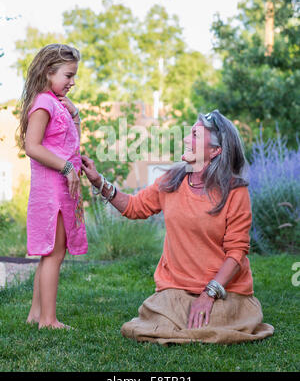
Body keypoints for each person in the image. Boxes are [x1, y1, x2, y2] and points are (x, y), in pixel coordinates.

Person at [82, 110, 274, 345]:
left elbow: (237, 252)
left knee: (215, 322)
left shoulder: (235, 190)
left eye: (194, 135)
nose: (185, 139)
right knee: (158, 321)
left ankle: (216, 315)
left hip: (223, 290)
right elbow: (134, 207)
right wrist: (98, 181)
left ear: (215, 151)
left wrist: (209, 294)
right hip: (177, 288)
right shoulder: (171, 180)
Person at [18, 44, 88, 329]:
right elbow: (31, 146)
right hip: (51, 192)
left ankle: (36, 314)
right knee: (54, 254)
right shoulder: (44, 104)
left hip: (59, 190)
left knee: (51, 253)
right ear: (49, 72)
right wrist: (68, 167)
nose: (72, 82)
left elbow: (70, 143)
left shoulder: (55, 103)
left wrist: (76, 115)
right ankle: (48, 320)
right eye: (68, 75)